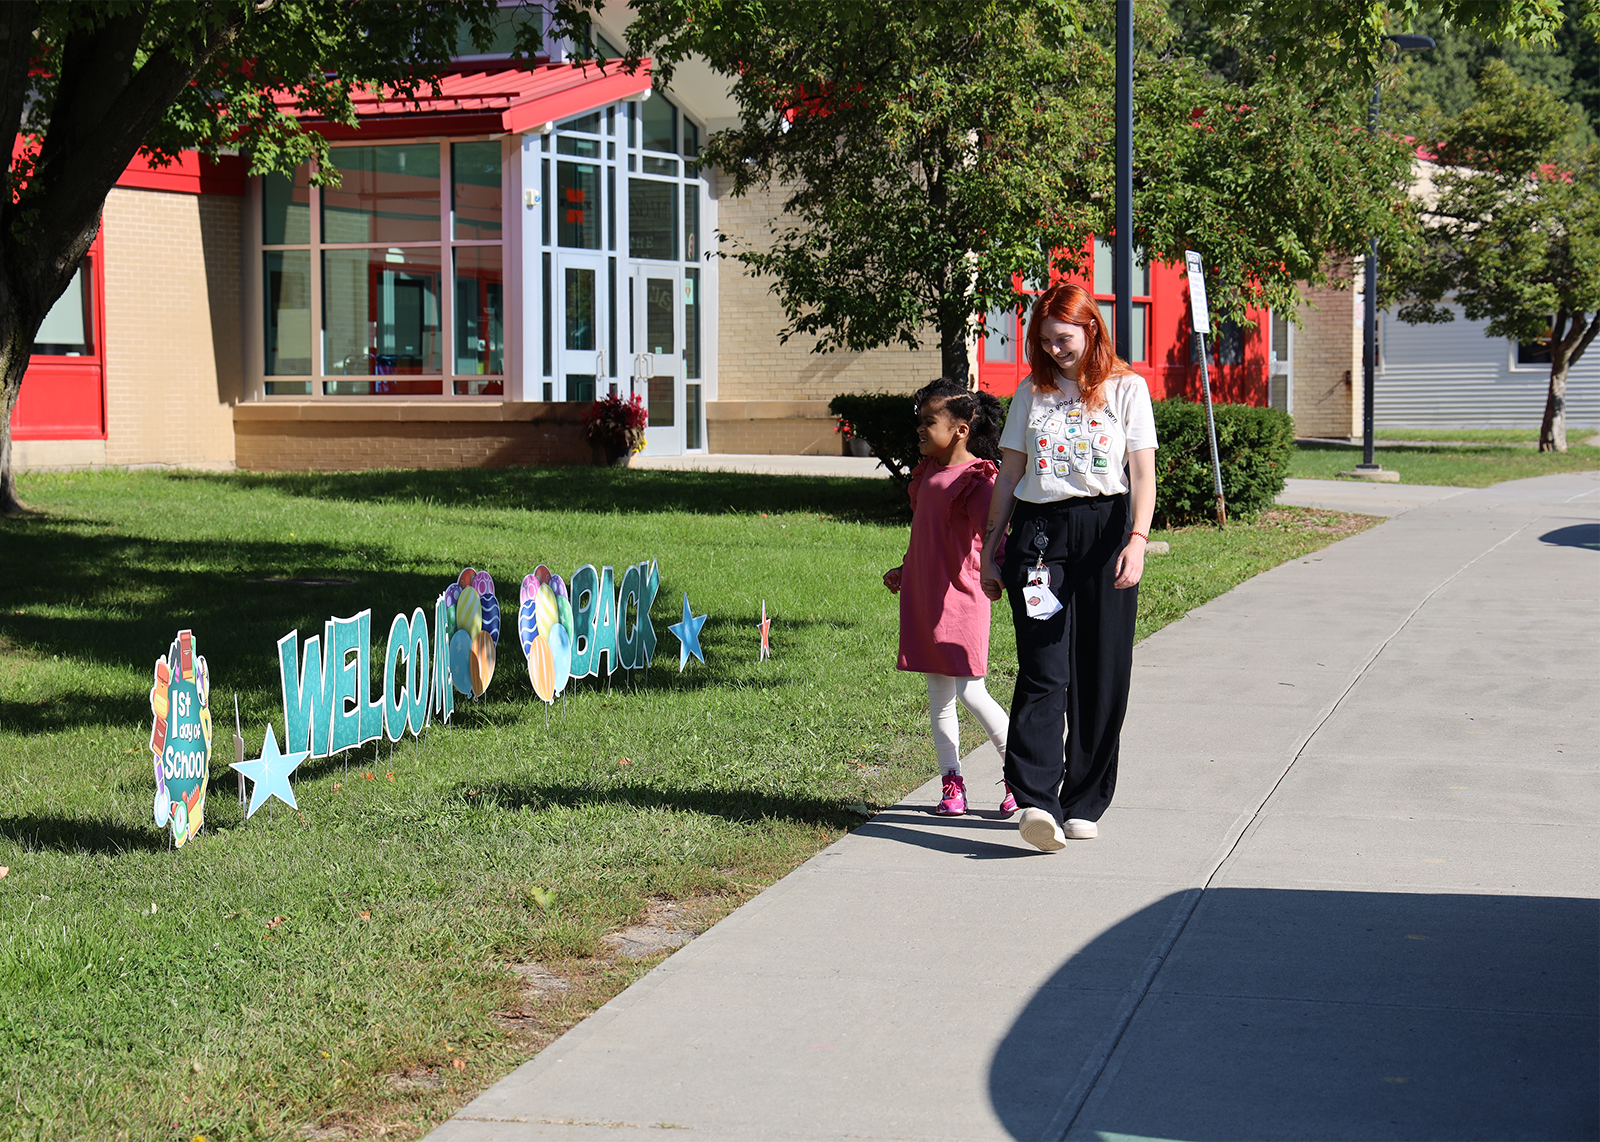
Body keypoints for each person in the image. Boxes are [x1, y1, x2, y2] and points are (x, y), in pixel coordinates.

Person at [978, 283, 1157, 851]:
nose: (1055, 350)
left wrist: (1137, 539)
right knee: (1043, 664)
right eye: (1045, 340)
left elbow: (1144, 475)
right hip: (1039, 534)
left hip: (1106, 529)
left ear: (1091, 330)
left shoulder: (1127, 389)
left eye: (1065, 338)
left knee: (1102, 666)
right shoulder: (1031, 393)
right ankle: (1036, 801)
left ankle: (1084, 800)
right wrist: (989, 547)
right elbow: (1008, 475)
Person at [884, 378, 1016, 817]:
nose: (920, 430)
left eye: (929, 422)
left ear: (961, 428)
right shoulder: (927, 476)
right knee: (938, 695)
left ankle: (1020, 773)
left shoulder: (978, 479)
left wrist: (997, 569)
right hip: (924, 596)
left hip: (962, 598)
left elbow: (994, 534)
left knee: (973, 692)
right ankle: (951, 782)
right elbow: (924, 535)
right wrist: (906, 568)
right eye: (919, 422)